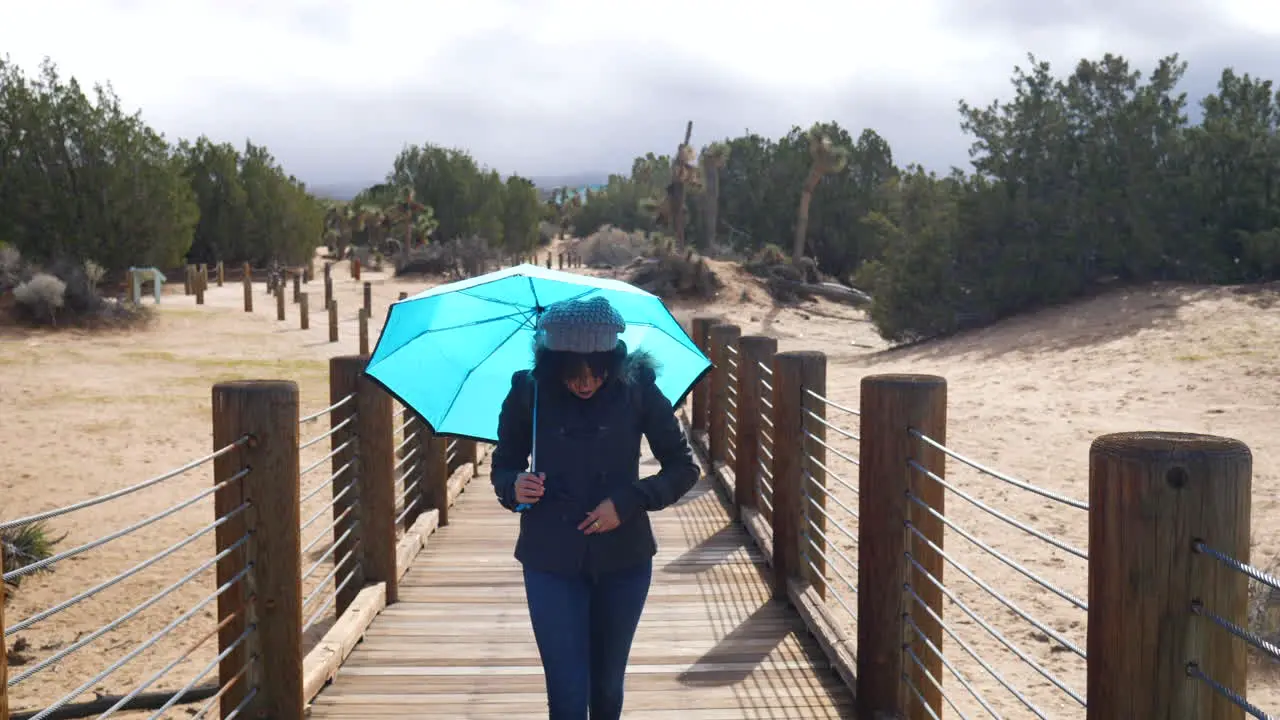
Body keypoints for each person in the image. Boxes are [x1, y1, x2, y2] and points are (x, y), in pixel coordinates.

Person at [489, 295, 700, 720]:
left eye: (597, 371)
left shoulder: (638, 388)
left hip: (625, 560)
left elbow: (683, 468)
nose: (585, 383)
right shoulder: (528, 391)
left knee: (606, 690)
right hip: (550, 559)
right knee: (566, 696)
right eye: (573, 374)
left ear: (613, 358)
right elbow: (503, 465)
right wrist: (515, 486)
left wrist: (628, 501)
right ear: (552, 363)